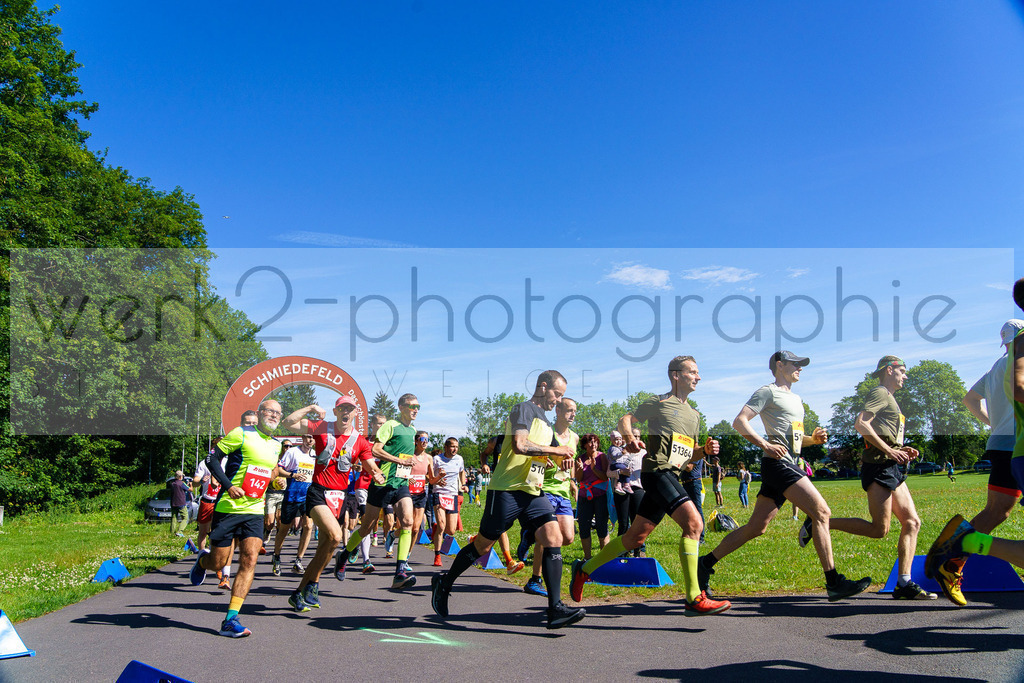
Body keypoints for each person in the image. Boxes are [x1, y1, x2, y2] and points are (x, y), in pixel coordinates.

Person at [698, 351, 871, 602]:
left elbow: (795, 441)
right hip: (778, 465)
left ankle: (705, 563)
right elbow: (740, 422)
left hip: (787, 462)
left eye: (801, 364)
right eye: (796, 364)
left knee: (757, 527)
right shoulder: (768, 392)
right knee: (821, 513)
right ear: (780, 365)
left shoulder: (796, 399)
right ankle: (834, 581)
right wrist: (764, 444)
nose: (800, 368)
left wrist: (814, 440)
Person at [570, 355, 730, 616]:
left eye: (698, 373)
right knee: (694, 524)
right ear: (676, 375)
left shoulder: (694, 416)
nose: (698, 377)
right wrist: (630, 437)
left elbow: (688, 457)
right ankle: (693, 597)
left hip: (672, 474)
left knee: (635, 538)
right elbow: (626, 419)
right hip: (656, 472)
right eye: (693, 372)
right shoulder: (659, 402)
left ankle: (584, 569)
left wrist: (704, 450)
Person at [431, 370, 585, 629]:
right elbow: (520, 446)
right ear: (543, 387)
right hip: (506, 490)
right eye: (557, 394)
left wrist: (556, 461)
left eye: (562, 396)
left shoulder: (547, 424)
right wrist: (556, 449)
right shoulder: (523, 409)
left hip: (533, 492)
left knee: (553, 537)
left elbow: (536, 457)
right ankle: (444, 583)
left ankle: (555, 608)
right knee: (482, 545)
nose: (558, 400)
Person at [928, 309, 1024, 605]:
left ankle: (953, 556)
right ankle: (955, 553)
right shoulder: (1018, 362)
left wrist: (991, 423)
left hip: (999, 442)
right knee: (999, 511)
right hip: (1016, 442)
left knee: (997, 511)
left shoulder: (996, 366)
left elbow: (969, 399)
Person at [825, 356, 936, 600]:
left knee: (912, 522)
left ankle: (904, 583)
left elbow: (884, 434)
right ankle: (819, 524)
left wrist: (902, 448)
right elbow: (861, 423)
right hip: (879, 467)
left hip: (893, 467)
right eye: (902, 371)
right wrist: (889, 451)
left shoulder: (891, 398)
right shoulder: (880, 393)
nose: (905, 376)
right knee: (879, 529)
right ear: (889, 370)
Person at [188, 399, 291, 638]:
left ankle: (231, 619)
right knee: (219, 562)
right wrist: (228, 485)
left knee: (249, 560)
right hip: (229, 506)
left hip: (254, 510)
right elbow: (211, 459)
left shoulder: (276, 445)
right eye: (269, 411)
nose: (274, 416)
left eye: (278, 413)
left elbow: (269, 472)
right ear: (259, 413)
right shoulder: (241, 433)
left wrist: (278, 480)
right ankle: (204, 562)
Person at [280, 395, 376, 612]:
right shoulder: (322, 427)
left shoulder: (359, 440)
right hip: (318, 492)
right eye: (342, 408)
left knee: (326, 547)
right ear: (336, 411)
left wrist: (378, 475)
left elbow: (370, 464)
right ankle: (311, 586)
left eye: (350, 409)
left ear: (355, 414)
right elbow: (288, 422)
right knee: (336, 536)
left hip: (339, 497)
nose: (346, 412)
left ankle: (302, 590)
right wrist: (311, 407)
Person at [334, 394, 420, 589]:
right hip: (382, 483)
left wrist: (410, 463)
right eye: (411, 406)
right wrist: (400, 461)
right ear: (401, 407)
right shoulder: (390, 425)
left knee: (408, 521)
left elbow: (404, 454)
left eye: (418, 407)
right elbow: (376, 450)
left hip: (401, 483)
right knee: (366, 528)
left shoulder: (412, 429)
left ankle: (400, 572)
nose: (415, 410)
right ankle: (344, 554)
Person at [523, 396, 579, 596]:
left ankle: (529, 535)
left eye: (575, 410)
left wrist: (573, 481)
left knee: (568, 538)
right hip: (544, 489)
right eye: (569, 410)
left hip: (563, 491)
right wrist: (542, 460)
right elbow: (534, 457)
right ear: (557, 411)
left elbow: (569, 462)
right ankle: (535, 580)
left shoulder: (575, 437)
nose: (573, 414)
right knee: (548, 538)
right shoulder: (547, 432)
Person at [272, 434, 315, 576]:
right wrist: (292, 475)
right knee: (284, 528)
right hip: (292, 495)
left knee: (308, 526)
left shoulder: (315, 455)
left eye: (313, 438)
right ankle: (277, 556)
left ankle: (298, 560)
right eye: (308, 437)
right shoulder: (292, 452)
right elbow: (279, 470)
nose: (310, 440)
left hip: (308, 497)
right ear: (303, 438)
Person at [575, 434, 610, 560]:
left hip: (600, 496)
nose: (593, 444)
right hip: (585, 496)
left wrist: (594, 469)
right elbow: (579, 479)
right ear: (585, 445)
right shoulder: (580, 458)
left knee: (602, 525)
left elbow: (605, 477)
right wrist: (579, 470)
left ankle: (604, 558)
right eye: (590, 442)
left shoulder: (602, 457)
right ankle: (587, 558)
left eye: (595, 442)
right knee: (584, 526)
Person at [432, 437, 466, 566]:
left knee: (451, 530)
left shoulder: (459, 459)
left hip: (452, 495)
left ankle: (437, 529)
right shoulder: (437, 459)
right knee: (441, 526)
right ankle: (437, 556)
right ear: (446, 447)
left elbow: (462, 472)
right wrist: (437, 480)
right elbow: (428, 475)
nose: (454, 449)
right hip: (439, 493)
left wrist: (463, 484)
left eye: (456, 447)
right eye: (452, 447)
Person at [168, 470, 192, 538]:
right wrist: (191, 484)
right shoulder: (181, 483)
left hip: (173, 503)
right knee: (185, 518)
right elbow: (190, 489)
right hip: (181, 503)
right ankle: (180, 531)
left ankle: (172, 532)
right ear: (181, 476)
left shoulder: (172, 483)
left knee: (174, 518)